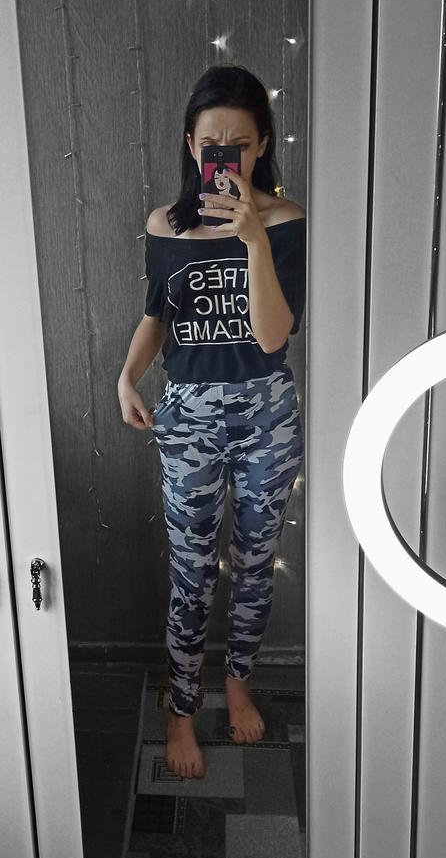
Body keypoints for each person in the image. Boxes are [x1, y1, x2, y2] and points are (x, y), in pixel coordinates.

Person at [117, 64, 306, 780]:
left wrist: (253, 239)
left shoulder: (284, 222)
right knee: (192, 572)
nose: (224, 158)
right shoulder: (164, 225)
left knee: (255, 566)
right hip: (189, 417)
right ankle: (182, 709)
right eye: (210, 145)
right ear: (190, 145)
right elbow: (157, 314)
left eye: (240, 146)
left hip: (266, 416)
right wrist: (125, 376)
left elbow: (272, 335)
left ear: (262, 146)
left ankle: (238, 682)